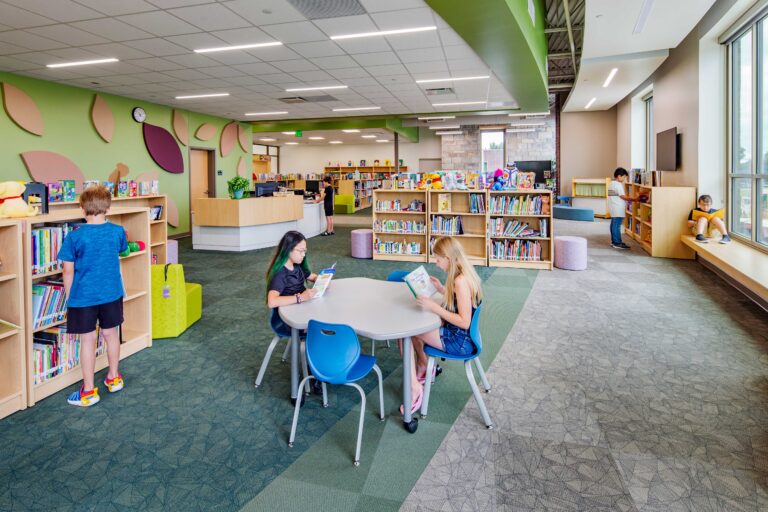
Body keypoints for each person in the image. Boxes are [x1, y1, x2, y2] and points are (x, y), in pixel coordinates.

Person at [59, 185, 128, 407]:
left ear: (82, 209)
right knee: (111, 334)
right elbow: (122, 251)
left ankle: (88, 391)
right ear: (108, 207)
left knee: (87, 341)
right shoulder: (118, 231)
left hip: (83, 298)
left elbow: (68, 271)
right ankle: (114, 378)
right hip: (111, 294)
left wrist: (71, 298)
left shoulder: (74, 237)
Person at [405, 236, 483, 415]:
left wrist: (433, 307)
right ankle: (424, 367)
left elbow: (464, 321)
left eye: (438, 259)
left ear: (448, 257)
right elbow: (460, 301)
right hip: (467, 337)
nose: (436, 263)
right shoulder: (463, 274)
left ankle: (415, 388)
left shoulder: (460, 281)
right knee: (416, 329)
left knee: (407, 334)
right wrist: (442, 289)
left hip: (459, 341)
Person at [608, 168, 634, 250]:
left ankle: (614, 241)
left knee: (614, 224)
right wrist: (635, 199)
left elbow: (615, 195)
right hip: (617, 208)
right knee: (617, 225)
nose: (624, 179)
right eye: (624, 177)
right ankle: (617, 243)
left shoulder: (611, 183)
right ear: (619, 176)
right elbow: (623, 196)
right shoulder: (617, 185)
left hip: (613, 207)